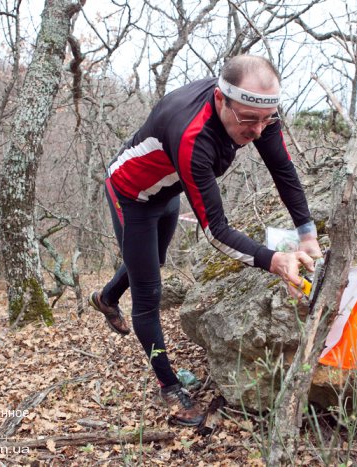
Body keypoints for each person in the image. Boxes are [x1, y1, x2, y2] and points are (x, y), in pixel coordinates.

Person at [89, 55, 321, 426]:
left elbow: (282, 170)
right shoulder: (191, 136)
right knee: (149, 293)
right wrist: (273, 260)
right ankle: (170, 389)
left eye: (267, 118)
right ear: (220, 99)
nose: (259, 130)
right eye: (248, 119)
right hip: (131, 194)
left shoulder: (257, 109)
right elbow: (216, 231)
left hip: (166, 191)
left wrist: (307, 234)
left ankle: (105, 297)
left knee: (153, 260)